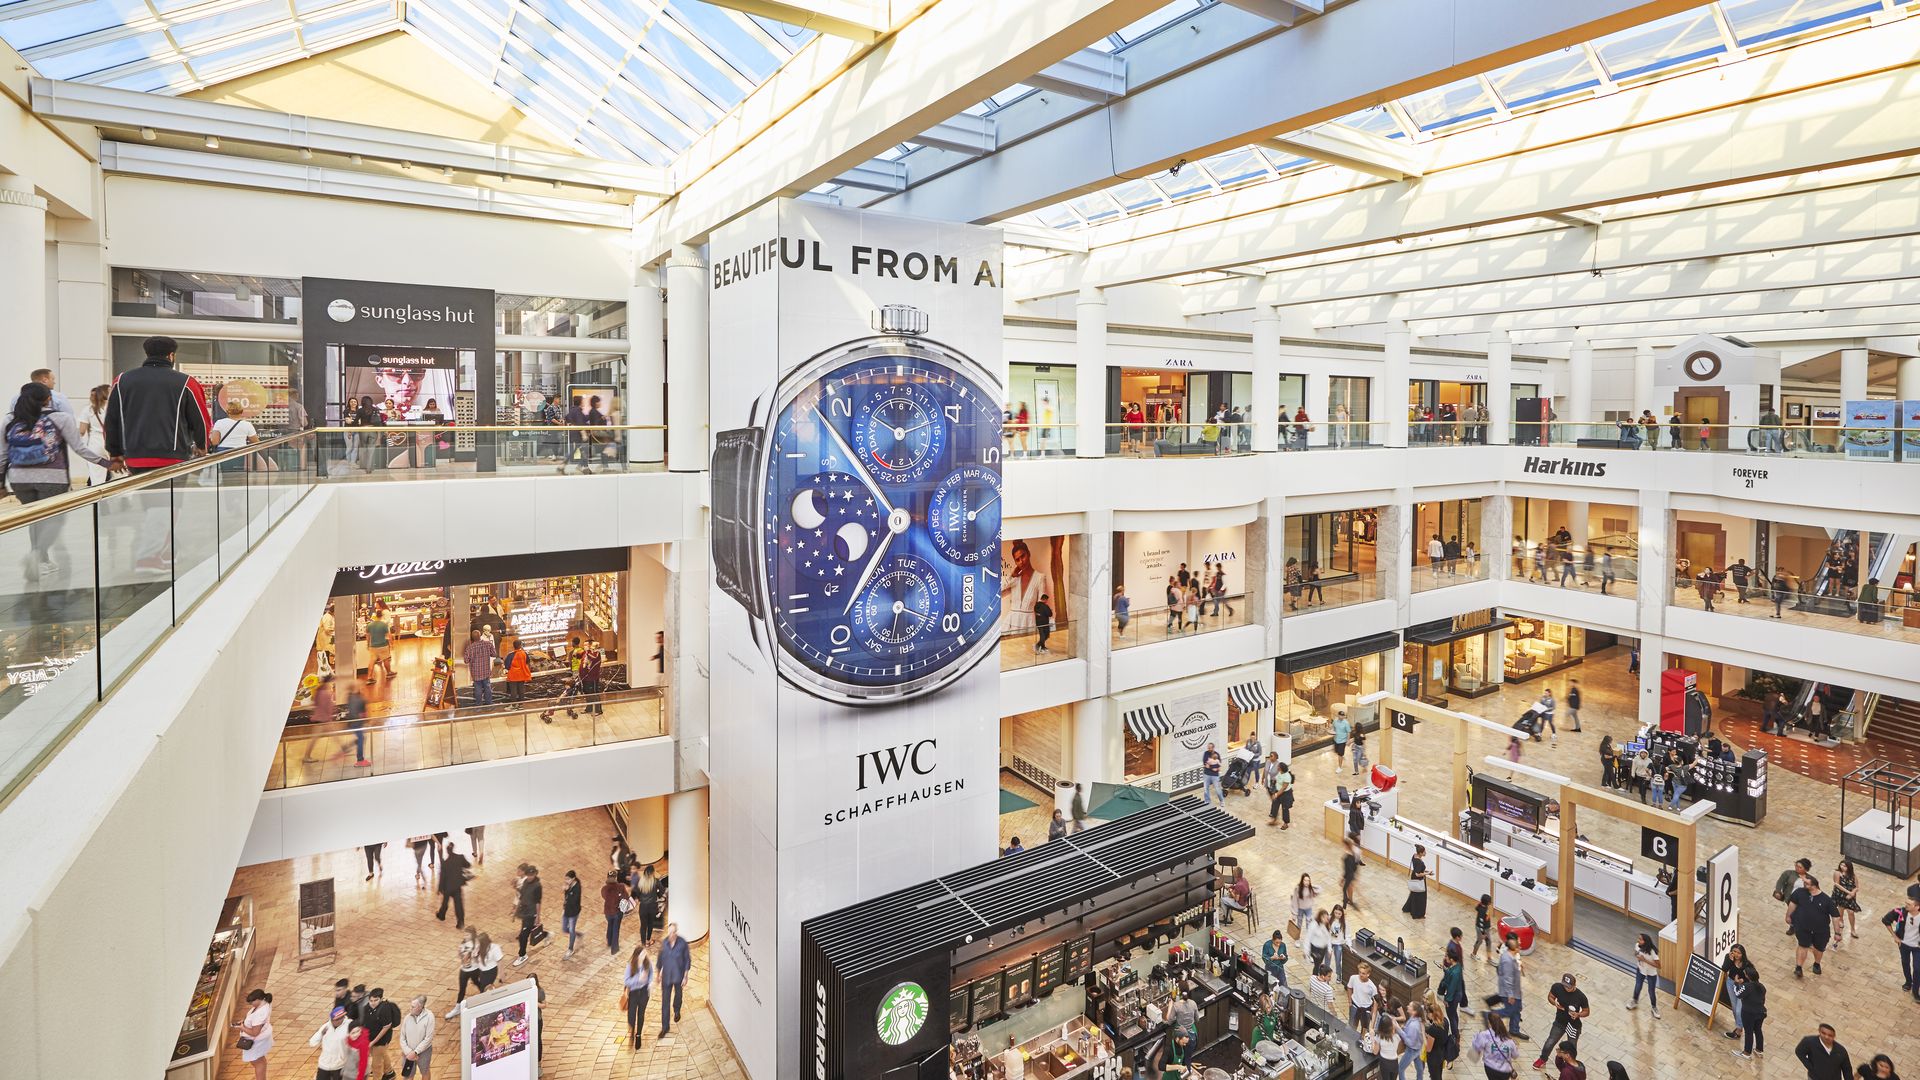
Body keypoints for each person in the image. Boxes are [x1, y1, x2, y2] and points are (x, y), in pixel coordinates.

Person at [103, 336, 211, 570]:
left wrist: (115, 453)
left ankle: (163, 550)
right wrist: (202, 446)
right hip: (172, 457)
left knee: (152, 505)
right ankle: (148, 557)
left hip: (135, 456)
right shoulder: (185, 382)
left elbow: (111, 419)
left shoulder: (123, 380)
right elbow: (201, 419)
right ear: (172, 356)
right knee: (167, 507)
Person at [5, 382, 118, 577]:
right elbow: (80, 449)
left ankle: (41, 559)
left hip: (19, 479)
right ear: (49, 399)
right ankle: (37, 555)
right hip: (53, 478)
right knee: (54, 520)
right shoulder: (61, 418)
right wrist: (108, 464)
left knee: (34, 518)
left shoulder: (10, 420)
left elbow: (1, 454)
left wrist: (0, 483)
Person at [1532, 973, 1588, 1070]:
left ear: (1574, 985)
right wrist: (1555, 1003)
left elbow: (1586, 1011)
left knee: (1571, 1048)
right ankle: (1542, 1059)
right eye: (1565, 986)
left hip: (1573, 1025)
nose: (1566, 988)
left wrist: (1578, 1014)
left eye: (1569, 987)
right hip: (1560, 1021)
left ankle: (1570, 1066)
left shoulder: (1581, 996)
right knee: (1550, 1041)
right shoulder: (1557, 987)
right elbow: (1550, 997)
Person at [1790, 875, 1838, 977]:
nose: (1804, 885)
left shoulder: (1826, 900)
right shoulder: (1799, 893)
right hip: (1803, 927)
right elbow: (1792, 904)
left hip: (1821, 931)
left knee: (1818, 948)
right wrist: (1788, 916)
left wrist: (1837, 932)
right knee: (1803, 945)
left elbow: (1835, 916)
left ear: (1814, 885)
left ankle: (1816, 963)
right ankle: (1798, 967)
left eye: (1807, 883)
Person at [658, 921, 691, 1037]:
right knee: (664, 1003)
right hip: (666, 977)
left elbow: (687, 959)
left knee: (678, 995)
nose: (671, 934)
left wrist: (685, 976)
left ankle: (677, 1010)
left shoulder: (682, 944)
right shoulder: (664, 943)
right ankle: (665, 1027)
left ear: (676, 932)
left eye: (673, 932)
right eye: (669, 932)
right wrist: (660, 972)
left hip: (678, 975)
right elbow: (661, 958)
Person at [233, 988, 273, 1080]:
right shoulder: (263, 1004)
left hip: (256, 1041)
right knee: (259, 1060)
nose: (251, 1004)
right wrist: (244, 1022)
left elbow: (255, 1033)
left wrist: (242, 1027)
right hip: (259, 1040)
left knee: (257, 1062)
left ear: (258, 999)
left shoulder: (260, 1014)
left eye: (252, 1002)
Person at [362, 987, 400, 1080]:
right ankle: (389, 1072)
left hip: (381, 1040)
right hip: (370, 1039)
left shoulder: (384, 1009)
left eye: (376, 1000)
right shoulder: (367, 1007)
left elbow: (386, 1026)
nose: (373, 1003)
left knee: (376, 1065)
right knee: (382, 1054)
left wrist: (373, 1042)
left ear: (381, 999)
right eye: (371, 1000)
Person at [1493, 933, 1527, 1038]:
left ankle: (1514, 1030)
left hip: (1515, 990)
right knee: (1511, 1010)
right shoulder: (1508, 959)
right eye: (1519, 943)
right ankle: (1492, 1015)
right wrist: (1510, 994)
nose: (1520, 944)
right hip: (1510, 991)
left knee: (1516, 1010)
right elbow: (1508, 978)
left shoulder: (1512, 955)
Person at [1886, 896, 1920, 1000]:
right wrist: (1894, 936)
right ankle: (1908, 982)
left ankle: (1915, 991)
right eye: (1906, 903)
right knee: (1905, 963)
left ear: (1917, 907)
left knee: (1917, 968)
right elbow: (1886, 920)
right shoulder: (1900, 912)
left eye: (1909, 904)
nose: (1906, 905)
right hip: (1903, 944)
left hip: (1917, 947)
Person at [622, 947, 656, 1050]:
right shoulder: (630, 965)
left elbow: (651, 974)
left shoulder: (647, 963)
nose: (644, 956)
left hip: (644, 993)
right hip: (634, 993)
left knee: (641, 1014)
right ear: (637, 955)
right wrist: (638, 978)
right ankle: (631, 1032)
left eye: (645, 954)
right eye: (642, 954)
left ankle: (638, 1035)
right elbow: (626, 981)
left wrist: (650, 983)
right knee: (631, 1015)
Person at [309, 1006, 354, 1080]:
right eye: (337, 1019)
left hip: (340, 1065)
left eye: (341, 1018)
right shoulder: (326, 1027)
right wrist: (321, 1034)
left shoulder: (349, 1025)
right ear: (332, 1019)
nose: (340, 1020)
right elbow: (312, 1043)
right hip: (324, 1065)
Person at [512, 864, 543, 966]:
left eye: (532, 875)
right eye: (528, 875)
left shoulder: (538, 886)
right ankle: (547, 935)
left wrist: (537, 916)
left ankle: (522, 955)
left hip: (531, 913)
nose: (529, 877)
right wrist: (516, 887)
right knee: (530, 930)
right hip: (525, 912)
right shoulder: (525, 882)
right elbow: (522, 895)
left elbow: (538, 902)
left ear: (535, 874)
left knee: (523, 936)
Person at [1471, 1013, 1518, 1080]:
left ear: (1490, 1023)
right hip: (1505, 1071)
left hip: (1490, 1068)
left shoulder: (1484, 1035)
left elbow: (1474, 1052)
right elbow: (1515, 1055)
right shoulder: (1509, 1040)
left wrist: (1476, 1039)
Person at [436, 840, 470, 926]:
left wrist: (440, 889)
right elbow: (468, 865)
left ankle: (441, 915)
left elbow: (442, 877)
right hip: (457, 885)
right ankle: (460, 922)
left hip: (447, 887)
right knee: (458, 904)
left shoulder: (445, 863)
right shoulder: (460, 857)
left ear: (447, 851)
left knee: (445, 902)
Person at [399, 995, 434, 1080]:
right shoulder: (407, 1018)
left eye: (413, 1007)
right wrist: (408, 1052)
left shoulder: (429, 1017)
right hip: (408, 1053)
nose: (410, 1008)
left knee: (425, 1071)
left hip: (424, 1052)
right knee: (408, 1075)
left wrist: (415, 1052)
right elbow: (402, 1037)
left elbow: (428, 1038)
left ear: (420, 1007)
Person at [1627, 934, 1660, 1017]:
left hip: (1651, 973)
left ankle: (1654, 1007)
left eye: (1640, 939)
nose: (1638, 940)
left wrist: (1644, 960)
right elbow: (1635, 953)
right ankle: (1634, 1000)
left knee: (1651, 991)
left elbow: (1659, 966)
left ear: (1645, 941)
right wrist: (1637, 956)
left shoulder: (1652, 951)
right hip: (1640, 970)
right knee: (1638, 986)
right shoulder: (1637, 945)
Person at [461, 630, 497, 707]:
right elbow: (494, 654)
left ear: (472, 638)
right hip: (486, 671)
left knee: (478, 689)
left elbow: (466, 661)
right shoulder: (488, 644)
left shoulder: (470, 648)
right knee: (487, 687)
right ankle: (489, 703)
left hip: (476, 673)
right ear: (480, 635)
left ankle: (478, 705)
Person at [1831, 858, 1862, 943]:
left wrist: (1852, 893)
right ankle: (1841, 920)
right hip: (1840, 895)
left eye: (1844, 866)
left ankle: (1852, 929)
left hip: (1850, 897)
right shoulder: (1837, 873)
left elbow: (1857, 887)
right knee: (1840, 909)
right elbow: (1836, 884)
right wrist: (1848, 892)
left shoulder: (1853, 875)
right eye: (1841, 865)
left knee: (1851, 913)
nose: (1842, 867)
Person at [633, 862, 664, 945]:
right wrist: (657, 894)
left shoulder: (640, 882)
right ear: (652, 873)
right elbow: (662, 891)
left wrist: (640, 899)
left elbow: (637, 893)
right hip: (652, 907)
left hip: (643, 907)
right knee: (650, 924)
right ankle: (648, 941)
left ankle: (643, 944)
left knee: (643, 926)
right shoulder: (656, 881)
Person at [1438, 950, 1467, 1039]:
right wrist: (1445, 969)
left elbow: (1451, 988)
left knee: (1451, 1016)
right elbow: (1450, 973)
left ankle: (1455, 1035)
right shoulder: (1457, 966)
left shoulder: (1455, 973)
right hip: (1457, 994)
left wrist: (1446, 1000)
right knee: (1454, 1013)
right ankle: (1456, 1031)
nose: (1445, 958)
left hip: (1454, 996)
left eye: (1446, 957)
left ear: (1451, 959)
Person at [1347, 960, 1379, 1032]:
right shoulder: (1353, 978)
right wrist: (1349, 1001)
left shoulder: (1372, 986)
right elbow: (1349, 988)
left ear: (1368, 974)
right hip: (1354, 1005)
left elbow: (1375, 1001)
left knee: (1365, 1029)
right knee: (1352, 1025)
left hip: (1366, 1009)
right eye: (1360, 972)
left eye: (1363, 973)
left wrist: (1372, 1012)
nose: (1361, 975)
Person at [560, 869, 583, 959]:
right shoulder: (569, 885)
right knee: (565, 929)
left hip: (573, 912)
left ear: (573, 878)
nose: (566, 881)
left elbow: (574, 901)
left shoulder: (577, 887)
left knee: (571, 930)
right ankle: (578, 934)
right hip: (567, 911)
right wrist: (566, 891)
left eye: (568, 879)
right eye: (565, 879)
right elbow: (566, 898)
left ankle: (570, 949)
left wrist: (567, 890)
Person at [1403, 843, 1430, 920]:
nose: (1425, 853)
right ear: (1421, 853)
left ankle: (1410, 908)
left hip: (1414, 878)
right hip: (1419, 880)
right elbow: (1418, 874)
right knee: (1421, 897)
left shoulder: (1414, 855)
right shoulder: (1419, 862)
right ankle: (1418, 913)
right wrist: (1427, 873)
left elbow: (1417, 870)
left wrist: (1426, 872)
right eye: (1424, 852)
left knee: (1414, 894)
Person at [501, 636, 532, 703]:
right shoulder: (524, 653)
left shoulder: (510, 655)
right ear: (520, 645)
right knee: (521, 690)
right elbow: (527, 662)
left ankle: (514, 705)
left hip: (513, 676)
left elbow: (507, 666)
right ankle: (521, 704)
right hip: (522, 675)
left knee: (513, 691)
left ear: (513, 646)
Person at [365, 609, 394, 680]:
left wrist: (368, 645)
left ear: (375, 616)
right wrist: (391, 644)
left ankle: (369, 677)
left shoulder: (369, 625)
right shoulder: (384, 625)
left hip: (373, 646)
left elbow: (368, 636)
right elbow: (388, 636)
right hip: (383, 645)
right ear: (382, 616)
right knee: (386, 659)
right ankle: (389, 673)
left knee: (372, 661)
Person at [1471, 894, 1494, 962]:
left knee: (1488, 941)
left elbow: (1476, 908)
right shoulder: (1482, 910)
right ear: (1487, 902)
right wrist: (1483, 933)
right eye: (1490, 901)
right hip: (1481, 929)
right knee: (1479, 941)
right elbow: (1481, 922)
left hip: (1486, 928)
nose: (1491, 902)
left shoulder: (1483, 906)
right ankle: (1473, 954)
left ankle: (1489, 957)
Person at [1342, 839, 1364, 909]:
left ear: (1346, 845)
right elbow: (1355, 865)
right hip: (1352, 873)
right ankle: (1350, 900)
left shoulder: (1348, 856)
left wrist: (1343, 878)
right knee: (1349, 887)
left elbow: (1347, 868)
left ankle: (1345, 905)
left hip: (1349, 874)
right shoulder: (1353, 853)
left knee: (1345, 888)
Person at [1201, 742, 1224, 806]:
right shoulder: (1206, 753)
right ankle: (1207, 801)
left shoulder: (1217, 754)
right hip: (1206, 774)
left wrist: (1216, 769)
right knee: (1206, 788)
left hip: (1215, 775)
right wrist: (1212, 768)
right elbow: (1205, 764)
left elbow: (1219, 765)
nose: (1208, 749)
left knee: (1217, 789)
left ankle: (1222, 800)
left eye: (1210, 748)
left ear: (1213, 748)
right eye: (1208, 747)